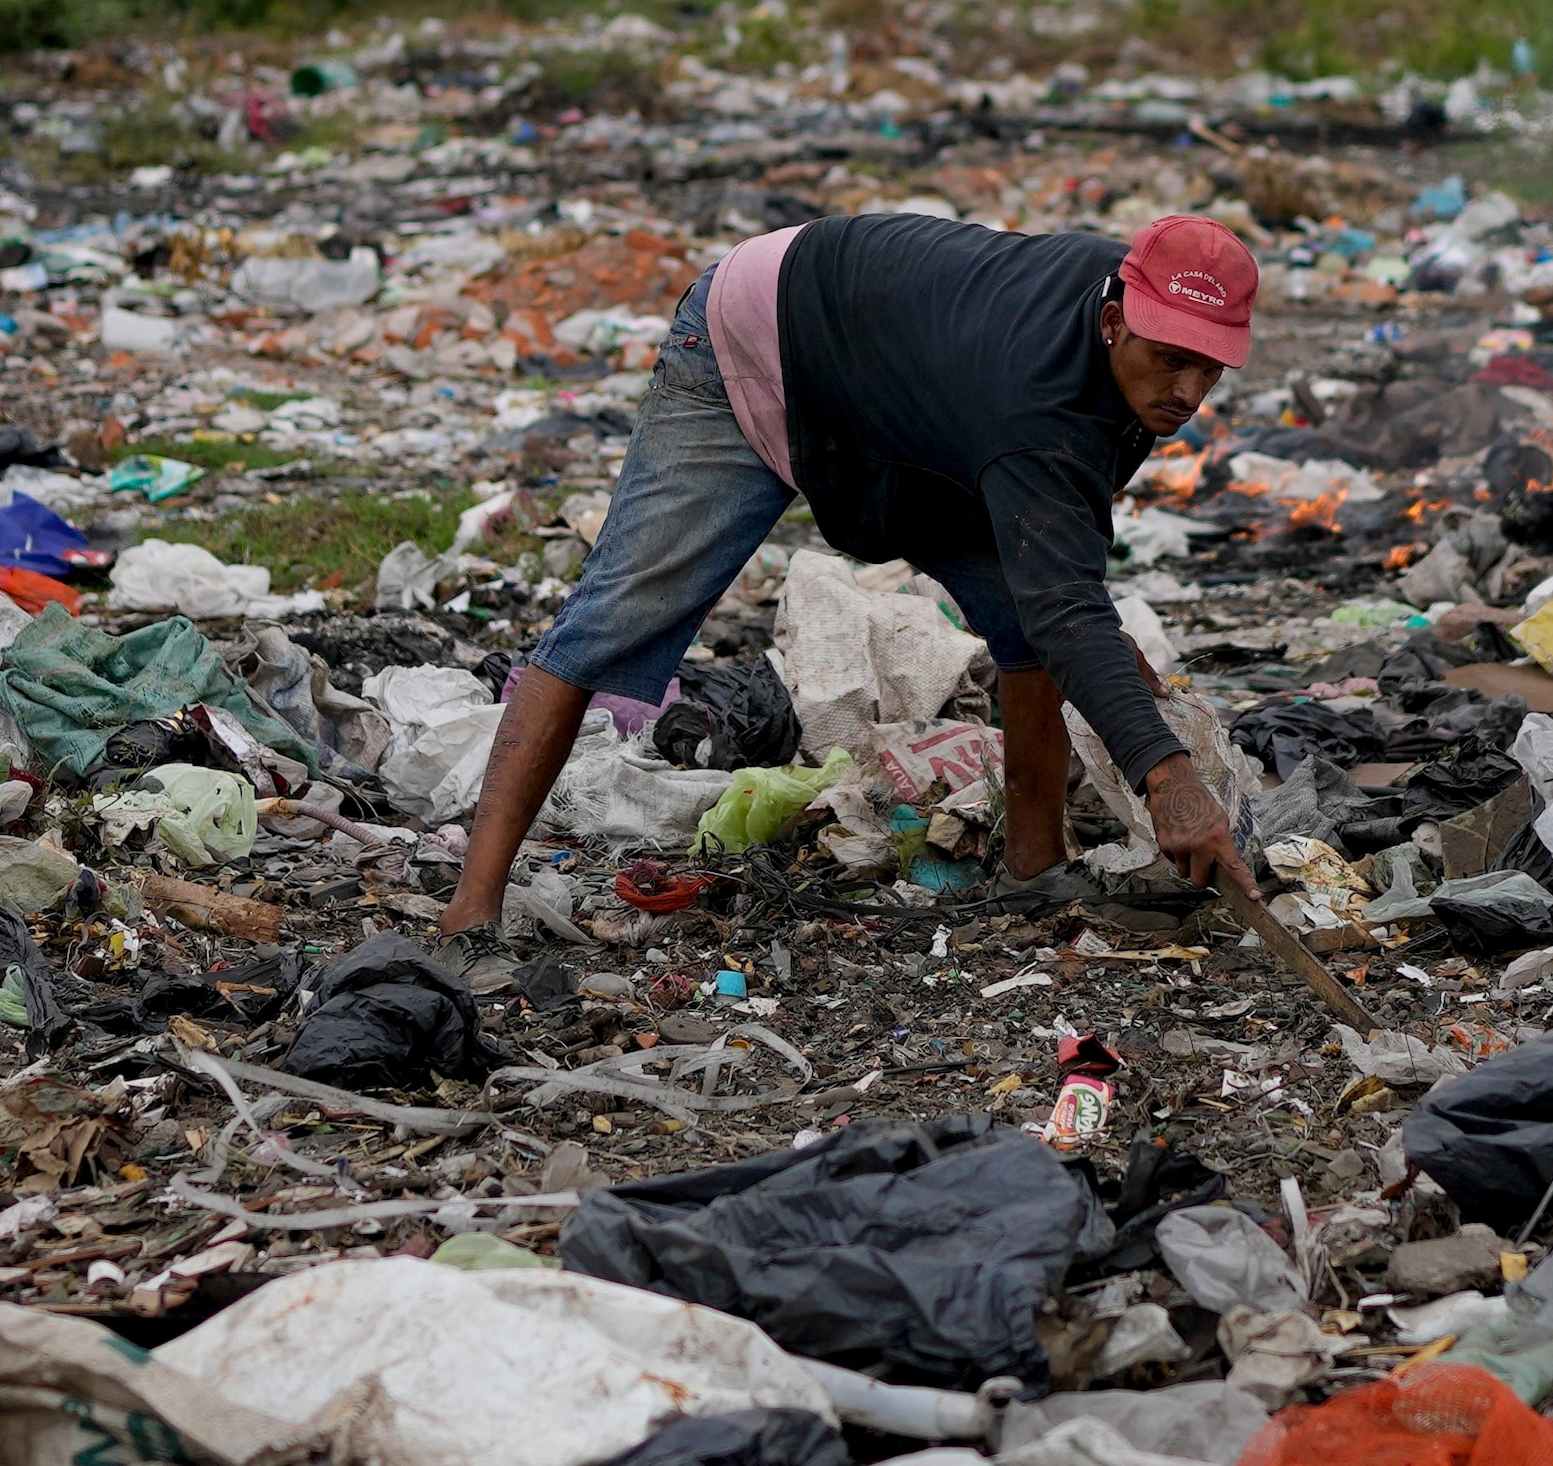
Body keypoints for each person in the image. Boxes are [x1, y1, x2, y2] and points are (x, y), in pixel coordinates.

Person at [433, 206, 1259, 934]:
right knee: (615, 616)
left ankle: (1033, 871)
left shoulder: (1134, 352)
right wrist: (1169, 779)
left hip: (906, 409)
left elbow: (1060, 575)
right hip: (759, 339)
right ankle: (472, 906)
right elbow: (1070, 601)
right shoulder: (1039, 404)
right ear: (1113, 320)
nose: (1188, 391)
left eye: (1208, 366)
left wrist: (1115, 666)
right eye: (1170, 360)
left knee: (1025, 619)